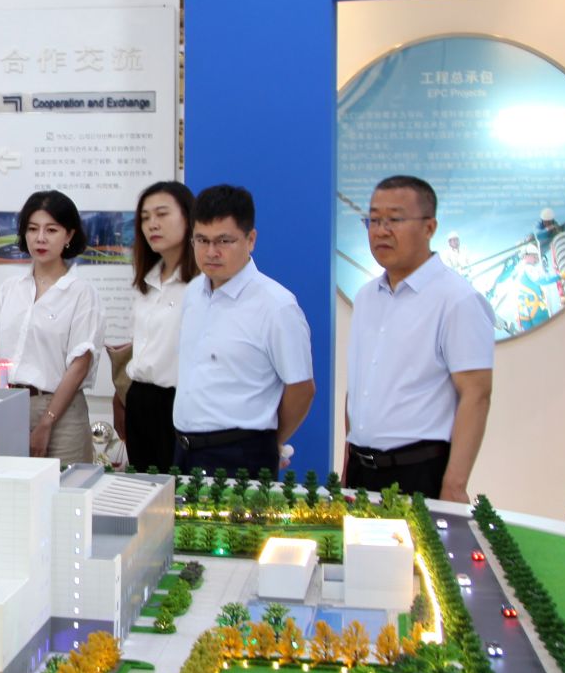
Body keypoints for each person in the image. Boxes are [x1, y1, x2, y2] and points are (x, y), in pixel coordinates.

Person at [343, 176, 495, 501]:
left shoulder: (457, 300)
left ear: (429, 227)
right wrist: (347, 468)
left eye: (394, 220)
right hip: (360, 470)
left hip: (418, 472)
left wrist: (454, 484)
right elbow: (357, 391)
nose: (381, 231)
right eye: (373, 220)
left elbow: (476, 394)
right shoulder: (367, 297)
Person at [171, 184, 314, 476]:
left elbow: (301, 388)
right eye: (202, 240)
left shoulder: (276, 305)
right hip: (184, 449)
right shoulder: (193, 292)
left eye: (224, 241)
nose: (211, 252)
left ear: (251, 239)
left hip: (240, 454)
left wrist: (268, 442)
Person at [0, 190, 103, 462]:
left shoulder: (81, 292)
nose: (40, 238)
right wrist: (0, 402)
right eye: (32, 229)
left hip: (60, 412)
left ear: (69, 235)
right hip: (12, 406)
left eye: (51, 230)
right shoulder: (10, 288)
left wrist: (47, 421)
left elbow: (79, 366)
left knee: (65, 485)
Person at [110, 181, 196, 471]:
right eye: (145, 218)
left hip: (178, 403)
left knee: (178, 489)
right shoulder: (148, 280)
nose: (152, 225)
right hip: (139, 399)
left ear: (188, 218)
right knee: (144, 489)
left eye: (162, 214)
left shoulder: (201, 284)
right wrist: (122, 396)